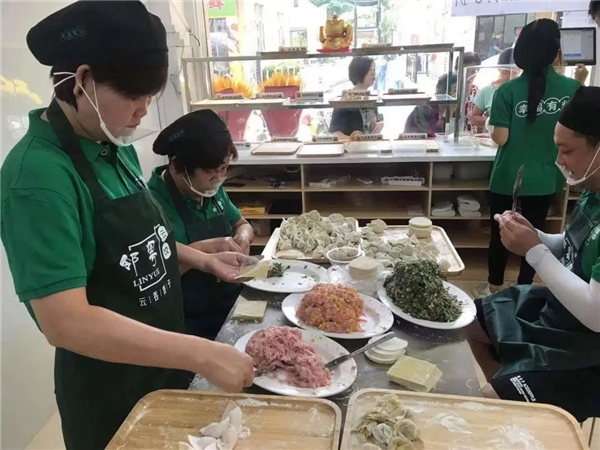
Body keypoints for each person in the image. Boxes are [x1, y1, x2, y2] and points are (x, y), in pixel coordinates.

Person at [0, 2, 254, 448]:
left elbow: (132, 249)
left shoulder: (115, 149)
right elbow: (66, 321)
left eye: (150, 98)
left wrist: (201, 258)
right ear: (83, 82)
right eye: (134, 97)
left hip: (164, 363)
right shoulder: (38, 178)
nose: (143, 112)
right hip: (112, 389)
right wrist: (201, 352)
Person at [466, 86, 600, 423]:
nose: (560, 161)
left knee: (492, 399)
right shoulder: (594, 191)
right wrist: (536, 236)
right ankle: (516, 394)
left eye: (567, 151)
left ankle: (516, 409)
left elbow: (595, 313)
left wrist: (535, 252)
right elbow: (575, 246)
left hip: (587, 345)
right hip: (559, 312)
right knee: (467, 319)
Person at [474, 19, 582, 298]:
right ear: (555, 52)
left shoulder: (507, 91)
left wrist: (490, 124)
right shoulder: (572, 88)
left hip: (508, 174)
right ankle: (523, 288)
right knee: (535, 235)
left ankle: (494, 288)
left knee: (501, 233)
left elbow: (501, 138)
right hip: (547, 176)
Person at [148, 110, 254, 340]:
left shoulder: (212, 192)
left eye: (224, 168)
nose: (219, 177)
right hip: (187, 323)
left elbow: (242, 223)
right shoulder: (152, 204)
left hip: (228, 306)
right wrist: (207, 250)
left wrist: (242, 238)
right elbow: (159, 274)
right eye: (210, 172)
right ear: (178, 167)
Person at [329, 56, 383, 140]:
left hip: (369, 149)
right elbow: (334, 133)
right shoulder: (344, 102)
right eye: (370, 70)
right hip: (351, 150)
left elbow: (372, 127)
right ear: (360, 71)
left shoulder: (371, 99)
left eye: (374, 70)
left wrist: (378, 126)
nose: (374, 73)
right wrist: (350, 138)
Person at [470, 48, 516, 129]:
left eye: (515, 73)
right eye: (506, 72)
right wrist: (492, 121)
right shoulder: (487, 90)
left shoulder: (522, 89)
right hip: (494, 137)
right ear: (499, 69)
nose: (510, 76)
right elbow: (474, 118)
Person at [404, 73, 457, 137]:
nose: (458, 95)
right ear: (443, 93)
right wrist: (450, 108)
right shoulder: (424, 109)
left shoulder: (457, 110)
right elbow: (436, 134)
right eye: (455, 90)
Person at [456, 52, 482, 133]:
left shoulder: (477, 91)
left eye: (473, 71)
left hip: (471, 139)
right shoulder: (451, 91)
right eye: (466, 70)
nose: (469, 75)